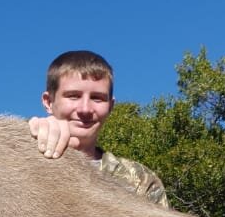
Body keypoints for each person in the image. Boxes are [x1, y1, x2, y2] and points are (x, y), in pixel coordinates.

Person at [29, 50, 169, 208]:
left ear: (111, 106)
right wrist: (28, 137)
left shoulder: (141, 181)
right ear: (48, 102)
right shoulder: (22, 163)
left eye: (97, 98)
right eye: (73, 96)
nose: (85, 109)